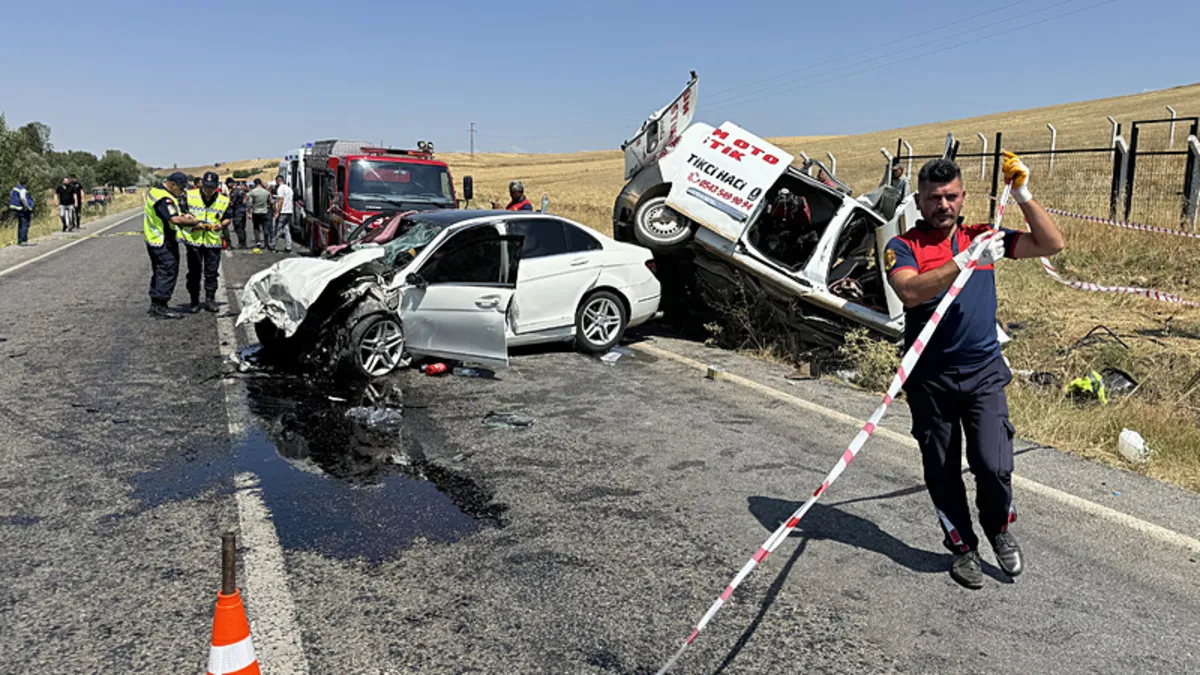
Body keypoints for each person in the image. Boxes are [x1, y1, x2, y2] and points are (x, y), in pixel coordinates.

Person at [884, 152, 1063, 589]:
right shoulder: (902, 246)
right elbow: (908, 291)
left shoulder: (984, 236)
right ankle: (962, 546)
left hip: (983, 372)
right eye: (932, 198)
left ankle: (998, 529)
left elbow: (1051, 243)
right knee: (942, 469)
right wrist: (962, 263)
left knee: (993, 462)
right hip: (931, 378)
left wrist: (1022, 194)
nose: (942, 205)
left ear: (963, 198)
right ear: (919, 201)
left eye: (949, 197)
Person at [144, 172, 198, 319]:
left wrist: (183, 215)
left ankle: (155, 305)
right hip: (163, 240)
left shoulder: (156, 192)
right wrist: (194, 222)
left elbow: (172, 214)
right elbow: (174, 219)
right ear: (173, 185)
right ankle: (161, 306)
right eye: (181, 188)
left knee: (159, 271)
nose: (182, 191)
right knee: (168, 271)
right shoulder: (164, 198)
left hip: (154, 239)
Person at [180, 172, 232, 312]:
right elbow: (181, 212)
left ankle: (210, 300)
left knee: (211, 273)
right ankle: (194, 301)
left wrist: (221, 225)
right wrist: (191, 221)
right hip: (194, 241)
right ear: (202, 184)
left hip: (212, 241)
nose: (208, 190)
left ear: (216, 186)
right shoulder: (190, 195)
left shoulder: (224, 200)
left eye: (212, 187)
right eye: (206, 187)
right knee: (194, 273)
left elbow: (227, 217)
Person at [271, 175, 294, 253]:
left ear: (278, 181)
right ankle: (288, 247)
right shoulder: (289, 189)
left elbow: (281, 200)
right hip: (289, 211)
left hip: (283, 211)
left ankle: (273, 245)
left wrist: (277, 212)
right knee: (286, 229)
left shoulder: (280, 188)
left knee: (277, 229)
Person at [9, 177, 35, 246]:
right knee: (25, 225)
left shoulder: (15, 188)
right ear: (25, 184)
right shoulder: (22, 189)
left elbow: (11, 195)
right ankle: (23, 240)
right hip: (22, 209)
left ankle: (19, 240)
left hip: (16, 209)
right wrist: (28, 207)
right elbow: (23, 198)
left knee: (20, 225)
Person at [247, 178, 271, 247]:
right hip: (265, 211)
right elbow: (271, 202)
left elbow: (250, 204)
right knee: (265, 227)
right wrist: (273, 210)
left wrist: (249, 213)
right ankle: (266, 242)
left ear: (254, 184)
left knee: (256, 227)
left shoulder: (252, 192)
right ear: (260, 183)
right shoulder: (266, 192)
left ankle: (258, 242)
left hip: (256, 212)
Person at [226, 177, 248, 248]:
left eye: (227, 183)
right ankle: (243, 243)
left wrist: (226, 203)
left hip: (237, 212)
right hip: (242, 211)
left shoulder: (235, 192)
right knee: (242, 228)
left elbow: (232, 203)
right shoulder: (239, 191)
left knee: (238, 228)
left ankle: (242, 244)